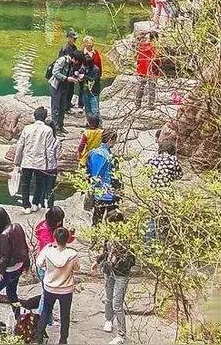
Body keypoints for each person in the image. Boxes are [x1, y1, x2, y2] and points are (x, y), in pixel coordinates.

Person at [0, 207, 29, 331]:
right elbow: (24, 246)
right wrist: (26, 264)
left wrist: (0, 272)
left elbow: (4, 258)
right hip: (19, 266)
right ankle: (18, 315)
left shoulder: (3, 235)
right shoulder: (17, 226)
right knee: (11, 292)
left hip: (9, 270)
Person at [35, 226, 79, 345]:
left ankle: (38, 336)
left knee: (46, 311)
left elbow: (39, 263)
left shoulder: (48, 251)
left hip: (50, 287)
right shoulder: (72, 254)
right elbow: (76, 268)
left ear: (55, 238)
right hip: (66, 289)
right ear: (67, 239)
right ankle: (63, 340)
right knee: (65, 316)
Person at [13, 107, 57, 213]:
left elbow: (20, 146)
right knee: (39, 184)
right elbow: (49, 149)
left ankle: (25, 206)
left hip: (27, 160)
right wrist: (51, 166)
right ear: (45, 117)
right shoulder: (48, 130)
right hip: (40, 162)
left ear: (34, 116)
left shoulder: (27, 128)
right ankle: (35, 204)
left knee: (25, 183)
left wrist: (16, 162)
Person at [101, 211, 134, 345]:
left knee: (117, 304)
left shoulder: (126, 241)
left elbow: (129, 261)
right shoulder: (109, 236)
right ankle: (108, 319)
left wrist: (114, 263)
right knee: (108, 298)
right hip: (109, 272)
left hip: (121, 274)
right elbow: (105, 251)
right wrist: (98, 261)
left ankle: (121, 335)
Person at [86, 129, 119, 225]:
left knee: (97, 219)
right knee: (113, 220)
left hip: (97, 192)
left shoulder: (92, 153)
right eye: (114, 140)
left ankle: (95, 239)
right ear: (110, 140)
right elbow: (114, 176)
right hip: (109, 192)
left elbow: (88, 172)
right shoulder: (110, 157)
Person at [48, 50, 82, 135]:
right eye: (77, 61)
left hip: (64, 87)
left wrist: (76, 76)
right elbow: (55, 72)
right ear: (74, 58)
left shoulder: (72, 64)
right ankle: (55, 128)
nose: (77, 63)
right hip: (56, 87)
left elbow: (70, 73)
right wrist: (66, 78)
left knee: (62, 107)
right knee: (56, 108)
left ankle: (61, 125)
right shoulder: (62, 60)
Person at [136, 31, 159, 108]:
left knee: (141, 86)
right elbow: (156, 59)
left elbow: (138, 58)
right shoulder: (154, 47)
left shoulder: (141, 46)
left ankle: (137, 103)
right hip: (152, 69)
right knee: (152, 87)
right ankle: (151, 104)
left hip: (142, 69)